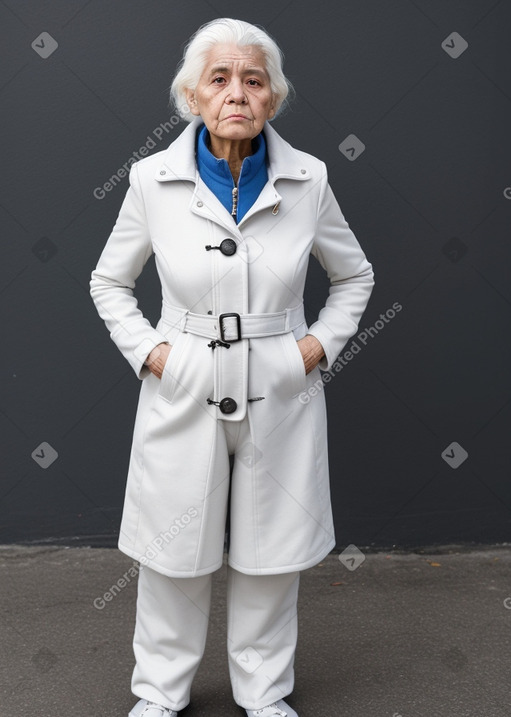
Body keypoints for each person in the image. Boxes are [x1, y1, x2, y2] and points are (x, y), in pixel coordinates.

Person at [90, 17, 374, 717]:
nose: (237, 93)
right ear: (193, 95)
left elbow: (355, 275)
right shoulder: (152, 180)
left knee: (270, 552)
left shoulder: (309, 179)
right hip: (185, 386)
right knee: (170, 551)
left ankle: (265, 693)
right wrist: (156, 354)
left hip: (279, 387)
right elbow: (108, 281)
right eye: (219, 79)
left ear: (273, 98)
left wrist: (313, 349)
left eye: (253, 79)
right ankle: (158, 694)